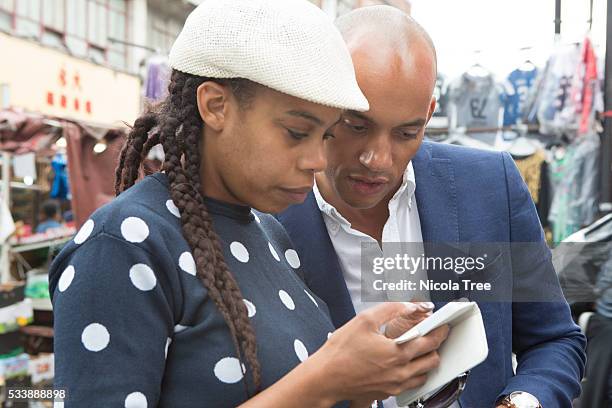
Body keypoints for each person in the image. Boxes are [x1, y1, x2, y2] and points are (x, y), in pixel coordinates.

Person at [47, 1, 448, 407]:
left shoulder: (270, 232)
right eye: (296, 132)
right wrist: (325, 380)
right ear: (216, 105)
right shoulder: (122, 244)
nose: (318, 161)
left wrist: (370, 363)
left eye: (326, 135)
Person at [278, 6, 587, 408]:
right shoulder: (264, 215)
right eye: (356, 125)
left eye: (407, 132)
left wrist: (520, 403)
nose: (377, 159)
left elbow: (554, 339)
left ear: (429, 114)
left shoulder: (488, 187)